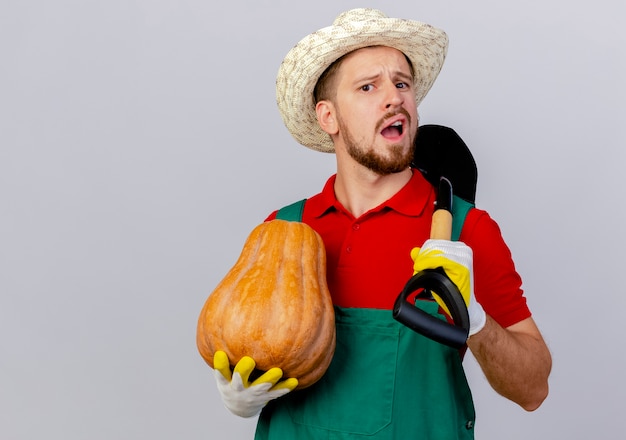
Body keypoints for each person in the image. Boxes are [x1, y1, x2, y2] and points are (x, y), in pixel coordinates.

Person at [209, 8, 552, 439]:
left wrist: (476, 321)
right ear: (328, 117)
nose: (394, 97)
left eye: (401, 83)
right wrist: (246, 391)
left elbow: (534, 388)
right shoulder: (284, 230)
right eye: (368, 86)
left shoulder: (466, 231)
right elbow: (254, 344)